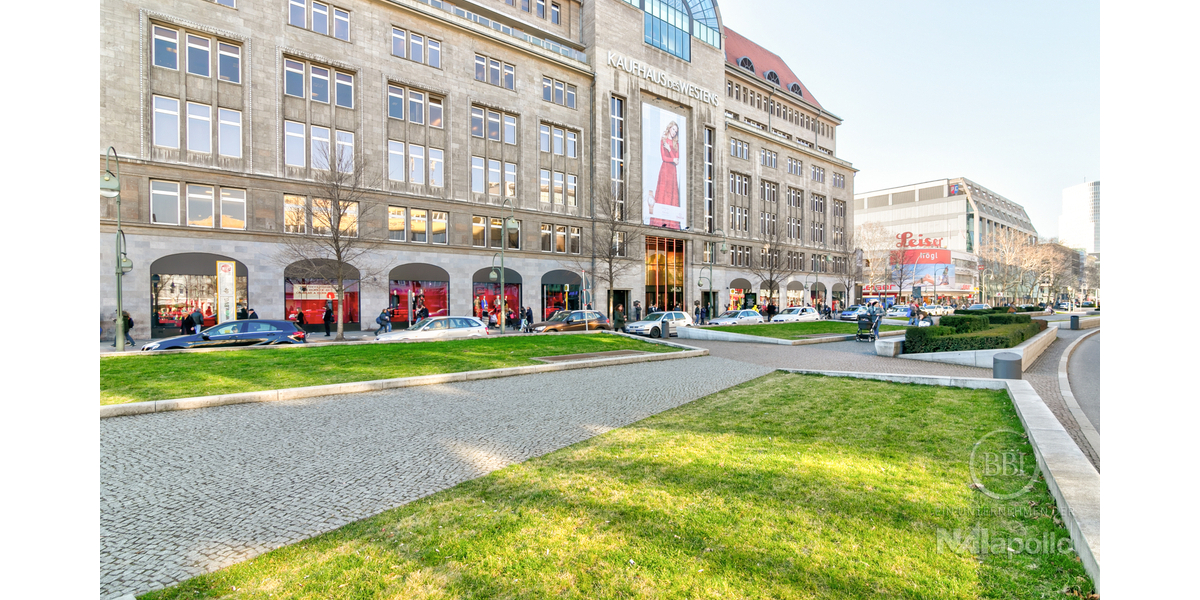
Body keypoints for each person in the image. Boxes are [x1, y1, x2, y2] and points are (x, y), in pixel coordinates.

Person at [648, 120, 682, 228]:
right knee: (662, 194)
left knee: (672, 194)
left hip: (673, 172)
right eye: (673, 129)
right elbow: (664, 158)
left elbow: (677, 161)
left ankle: (671, 223)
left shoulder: (676, 144)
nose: (674, 132)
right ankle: (659, 221)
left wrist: (669, 150)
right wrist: (672, 158)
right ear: (669, 128)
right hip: (665, 170)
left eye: (676, 131)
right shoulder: (663, 140)